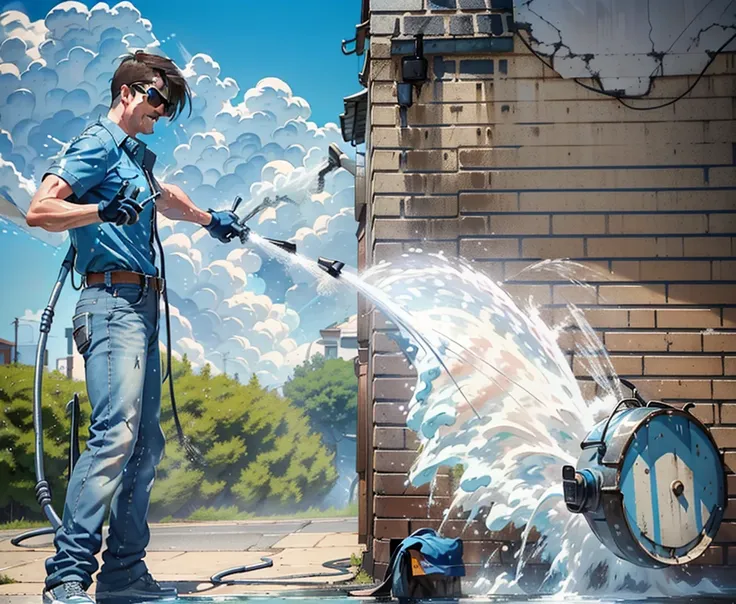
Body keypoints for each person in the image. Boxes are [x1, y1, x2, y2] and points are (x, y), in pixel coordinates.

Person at [26, 51, 243, 604]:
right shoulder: (96, 143)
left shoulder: (134, 159)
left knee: (146, 444)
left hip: (142, 309)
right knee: (116, 433)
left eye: (168, 105)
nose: (162, 112)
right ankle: (67, 578)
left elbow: (162, 198)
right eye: (156, 99)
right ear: (127, 92)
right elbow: (40, 211)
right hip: (110, 304)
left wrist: (208, 218)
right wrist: (101, 213)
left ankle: (123, 575)